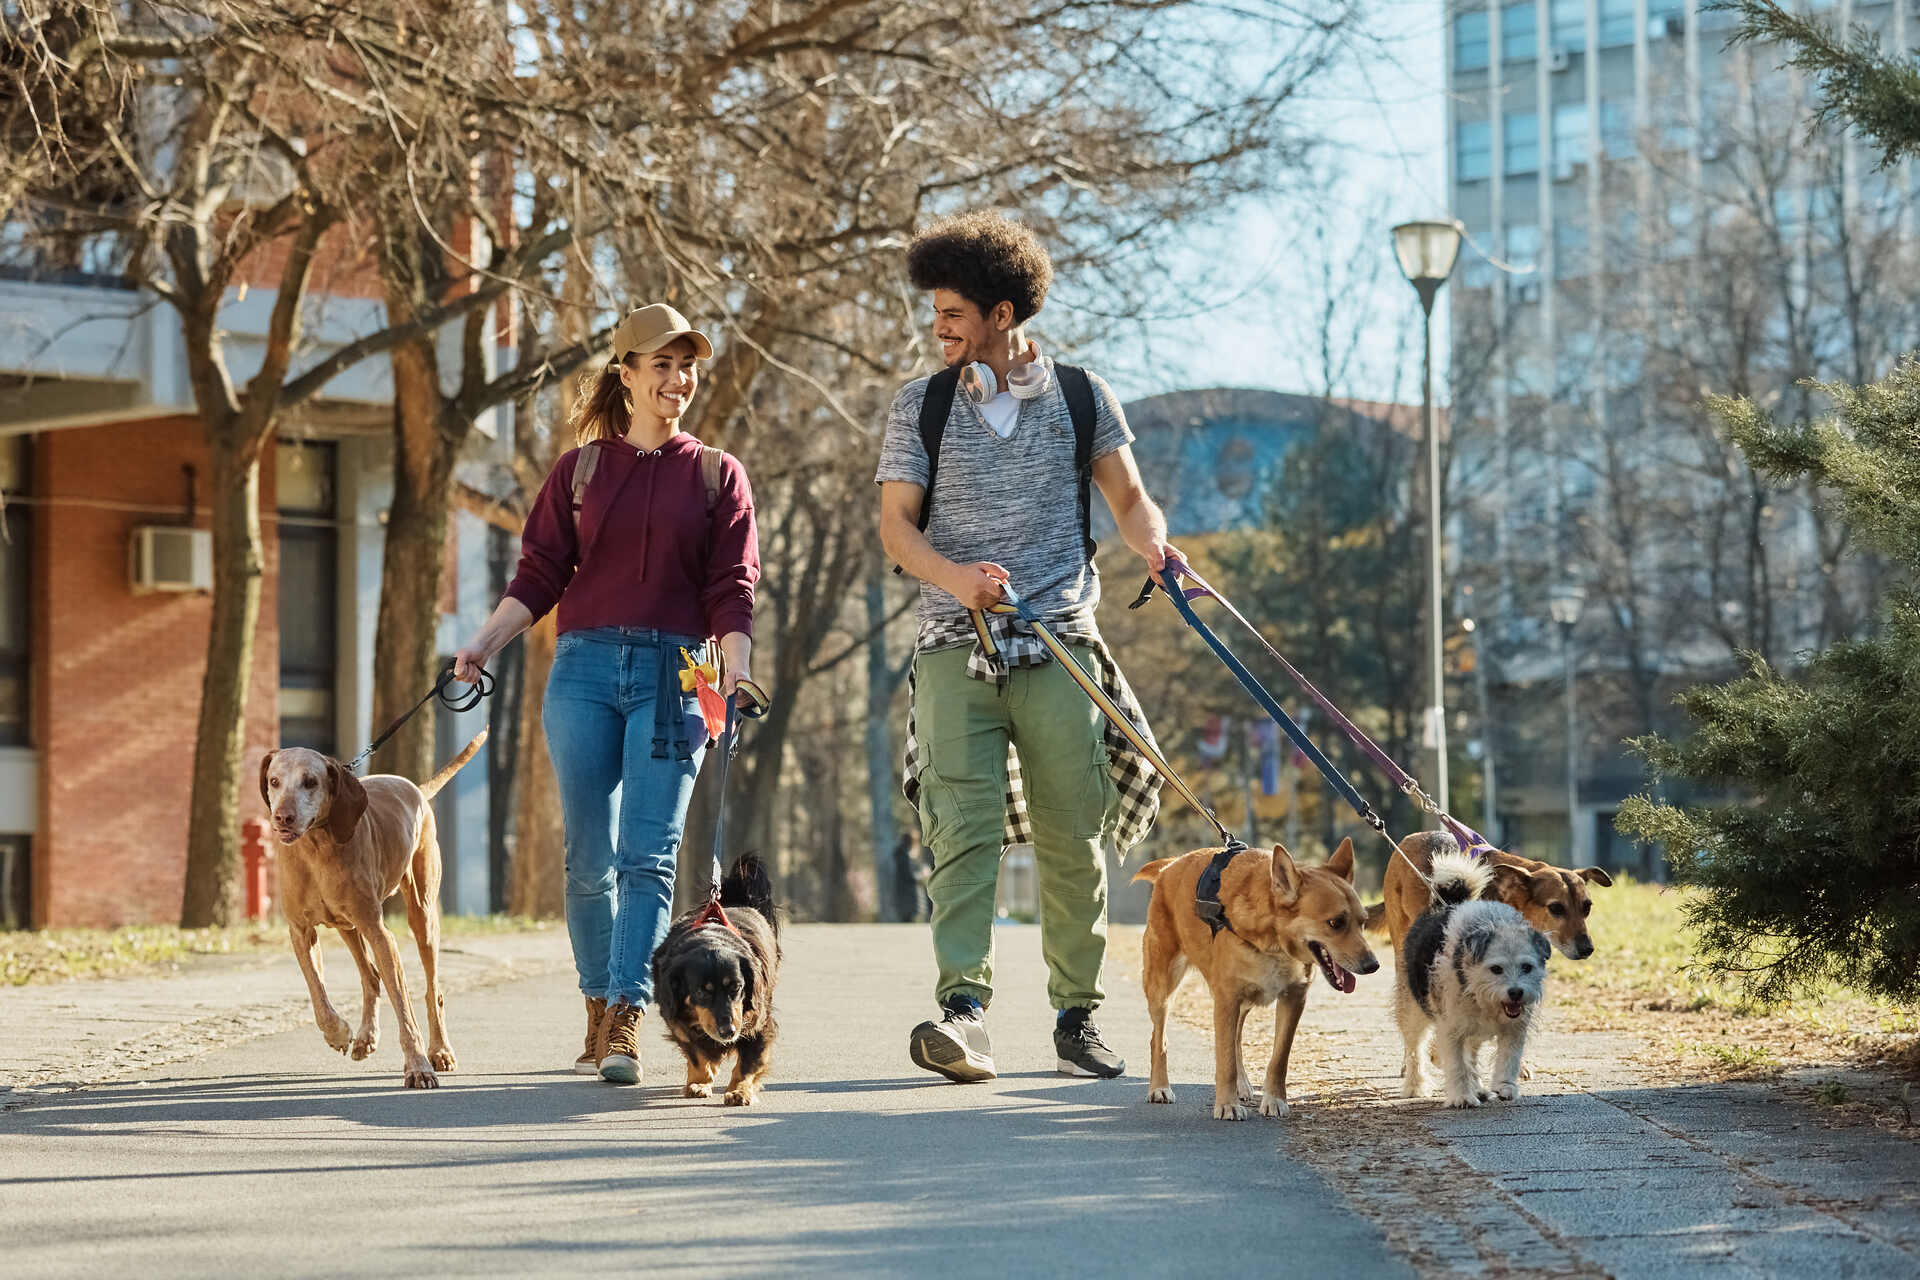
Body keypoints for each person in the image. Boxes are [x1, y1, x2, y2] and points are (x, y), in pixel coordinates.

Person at [875, 212, 1177, 1083]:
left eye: (953, 313)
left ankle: (1077, 1017)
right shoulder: (921, 405)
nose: (938, 327)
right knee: (960, 832)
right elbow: (897, 529)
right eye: (934, 312)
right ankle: (963, 1016)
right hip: (951, 646)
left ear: (1002, 314)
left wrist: (1152, 544)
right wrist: (958, 576)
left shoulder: (1082, 397)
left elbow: (1128, 499)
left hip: (1061, 644)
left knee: (1070, 836)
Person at [452, 303, 759, 1085]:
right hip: (582, 670)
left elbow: (733, 586)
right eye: (661, 363)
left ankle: (626, 1011)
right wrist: (483, 644)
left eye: (686, 365)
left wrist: (738, 665)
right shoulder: (579, 471)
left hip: (675, 679)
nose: (677, 379)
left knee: (646, 855)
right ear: (624, 371)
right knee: (588, 857)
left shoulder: (716, 473)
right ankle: (595, 1003)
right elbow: (539, 575)